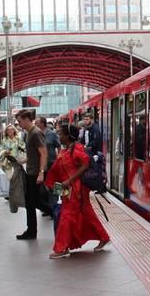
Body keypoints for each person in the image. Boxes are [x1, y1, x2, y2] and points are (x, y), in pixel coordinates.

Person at [45, 124, 110, 259]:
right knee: (87, 213)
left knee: (66, 217)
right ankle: (103, 237)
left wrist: (69, 180)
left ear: (68, 136)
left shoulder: (76, 149)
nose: (59, 136)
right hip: (70, 190)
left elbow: (86, 164)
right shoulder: (67, 149)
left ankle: (62, 247)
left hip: (76, 191)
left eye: (61, 134)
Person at [14, 109, 50, 240]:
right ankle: (31, 230)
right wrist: (24, 160)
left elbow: (44, 153)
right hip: (31, 171)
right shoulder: (29, 133)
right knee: (31, 202)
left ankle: (56, 213)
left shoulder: (35, 133)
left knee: (34, 201)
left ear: (27, 119)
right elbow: (34, 153)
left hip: (35, 173)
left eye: (20, 121)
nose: (19, 124)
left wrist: (41, 173)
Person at [36, 117, 61, 216]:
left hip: (52, 163)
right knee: (42, 187)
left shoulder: (52, 134)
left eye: (37, 123)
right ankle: (47, 207)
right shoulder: (36, 134)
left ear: (43, 124)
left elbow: (58, 145)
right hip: (40, 164)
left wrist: (59, 158)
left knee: (54, 185)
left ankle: (54, 207)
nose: (35, 124)